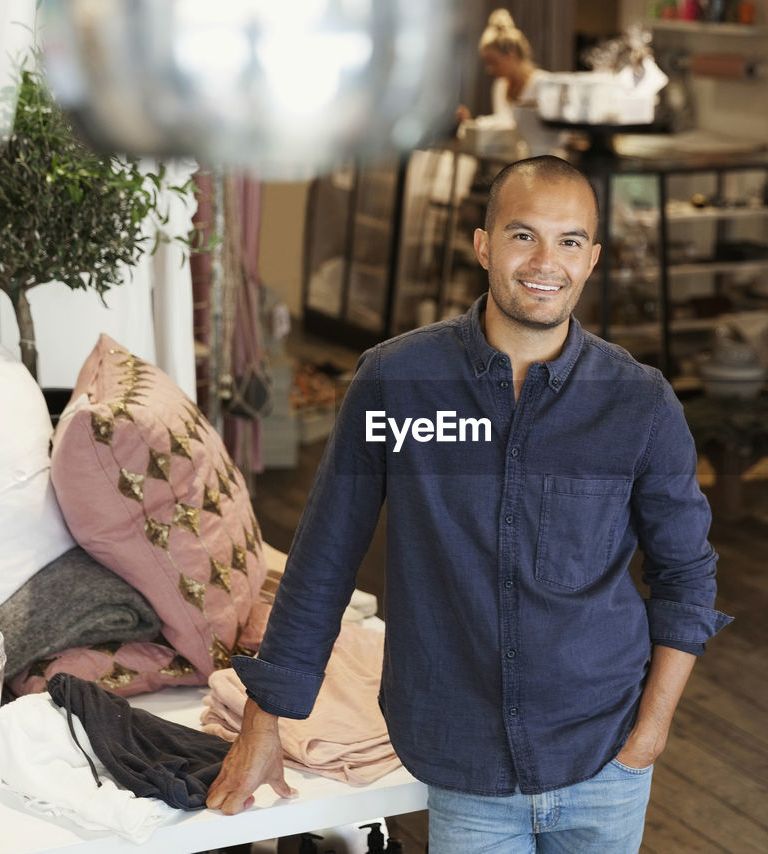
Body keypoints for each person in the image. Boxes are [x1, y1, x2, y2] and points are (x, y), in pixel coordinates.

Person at [205, 155, 733, 852]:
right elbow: (322, 562)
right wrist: (261, 725)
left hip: (606, 754)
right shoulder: (397, 382)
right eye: (523, 236)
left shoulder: (639, 402)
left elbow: (686, 577)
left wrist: (652, 728)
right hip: (465, 763)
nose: (546, 261)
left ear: (592, 259)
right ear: (483, 245)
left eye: (570, 241)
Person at [456, 9, 561, 157]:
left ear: (511, 55)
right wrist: (471, 124)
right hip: (510, 162)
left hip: (544, 161)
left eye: (493, 62)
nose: (489, 69)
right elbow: (502, 123)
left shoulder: (543, 84)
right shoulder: (500, 86)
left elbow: (558, 137)